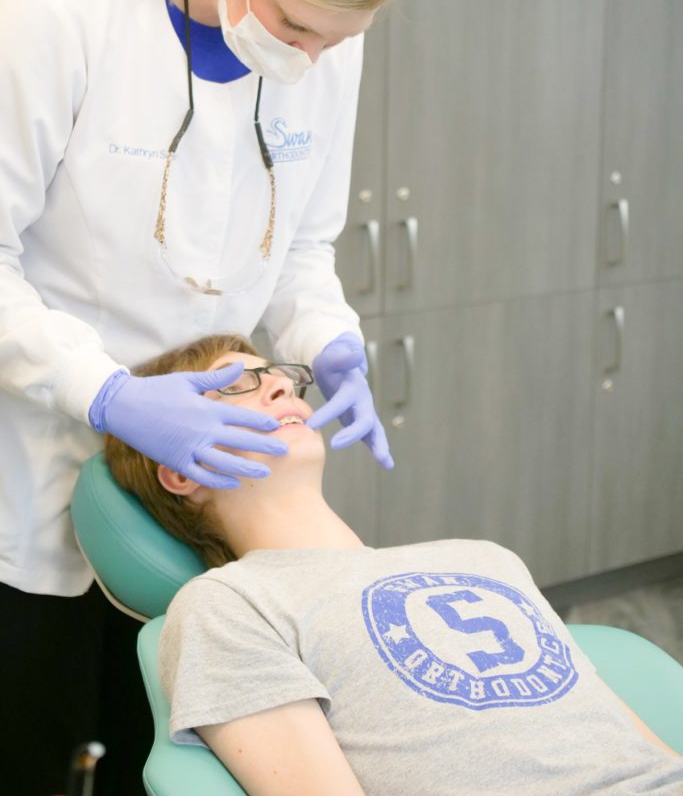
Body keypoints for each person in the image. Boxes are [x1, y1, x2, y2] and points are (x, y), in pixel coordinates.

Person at [0, 0, 409, 795]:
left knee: (162, 738)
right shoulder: (60, 14)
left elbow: (301, 248)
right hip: (34, 448)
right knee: (37, 743)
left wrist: (331, 341)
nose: (310, 59)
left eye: (337, 40)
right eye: (297, 27)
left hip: (199, 487)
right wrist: (105, 394)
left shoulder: (323, 44)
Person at [106, 334, 683, 796]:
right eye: (236, 385)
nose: (282, 384)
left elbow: (637, 746)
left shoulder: (484, 558)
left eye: (277, 374)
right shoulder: (229, 605)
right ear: (181, 469)